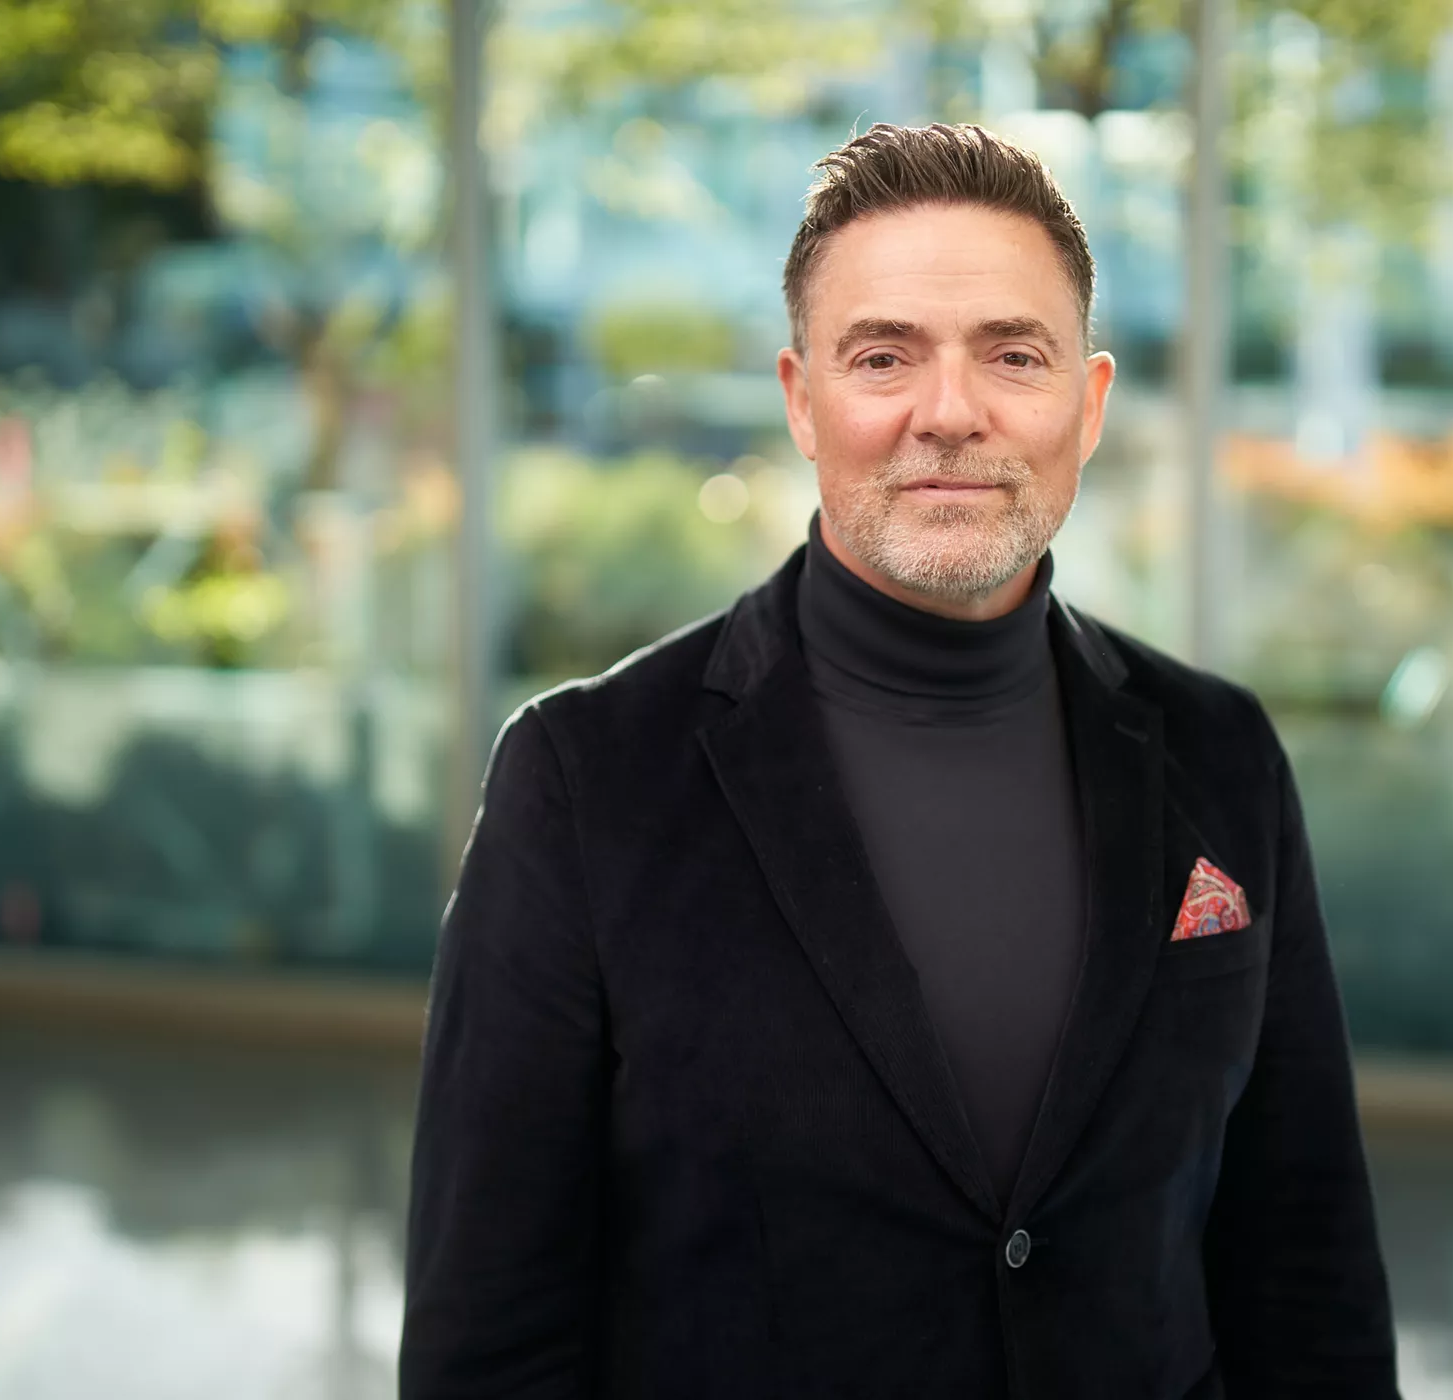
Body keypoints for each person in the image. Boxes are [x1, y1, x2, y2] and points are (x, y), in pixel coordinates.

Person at [399, 121, 1397, 1400]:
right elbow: (492, 1335)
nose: (949, 412)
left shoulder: (1223, 754)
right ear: (801, 400)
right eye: (883, 357)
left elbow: (1305, 1268)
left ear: (1086, 408)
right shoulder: (584, 778)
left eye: (1011, 356)